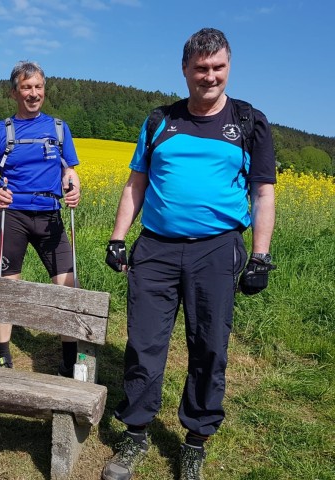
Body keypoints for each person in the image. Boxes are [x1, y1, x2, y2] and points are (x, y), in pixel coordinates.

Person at [102, 28, 276, 480]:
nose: (210, 76)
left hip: (217, 250)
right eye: (201, 69)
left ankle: (196, 440)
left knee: (209, 348)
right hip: (155, 248)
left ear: (228, 67)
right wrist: (118, 238)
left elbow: (263, 193)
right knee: (143, 343)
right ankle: (136, 432)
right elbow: (136, 183)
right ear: (185, 70)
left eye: (218, 67)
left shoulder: (249, 121)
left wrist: (260, 256)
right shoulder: (160, 120)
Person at [0, 61, 81, 375]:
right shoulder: (0, 131)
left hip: (50, 216)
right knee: (8, 284)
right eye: (26, 87)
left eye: (38, 87)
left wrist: (73, 189)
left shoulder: (59, 128)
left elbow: (70, 170)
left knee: (68, 283)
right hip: (13, 216)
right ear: (14, 92)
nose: (33, 94)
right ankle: (2, 351)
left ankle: (70, 357)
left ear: (44, 90)